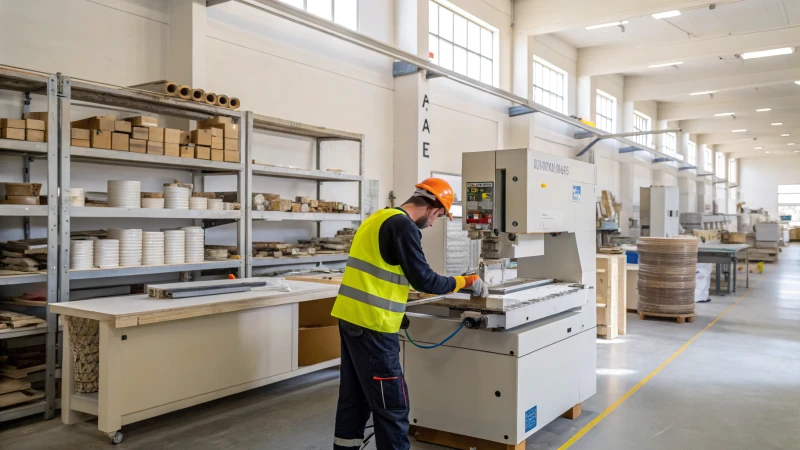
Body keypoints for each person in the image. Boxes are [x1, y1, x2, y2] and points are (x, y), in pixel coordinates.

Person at [331, 177, 489, 450]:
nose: (433, 223)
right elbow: (425, 281)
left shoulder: (378, 217)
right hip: (374, 327)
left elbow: (382, 274)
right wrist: (468, 281)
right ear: (432, 208)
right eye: (438, 216)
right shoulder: (403, 226)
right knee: (392, 405)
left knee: (354, 398)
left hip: (351, 319)